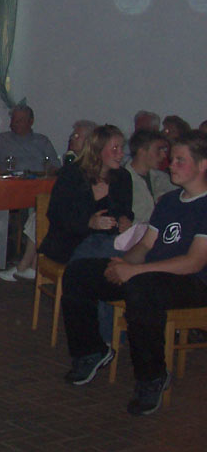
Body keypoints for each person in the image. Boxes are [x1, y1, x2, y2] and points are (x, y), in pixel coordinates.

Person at [60, 131, 207, 415]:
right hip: (149, 273)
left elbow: (194, 262)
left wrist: (135, 271)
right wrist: (121, 264)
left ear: (202, 165)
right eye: (172, 159)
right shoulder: (170, 201)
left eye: (180, 160)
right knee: (80, 272)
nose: (171, 165)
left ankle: (152, 377)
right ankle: (91, 351)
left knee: (143, 289)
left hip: (193, 283)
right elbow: (145, 245)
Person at [0, 119, 96, 282]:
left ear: (89, 141)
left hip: (78, 224)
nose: (72, 138)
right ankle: (31, 265)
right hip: (70, 219)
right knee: (39, 215)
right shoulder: (75, 163)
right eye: (73, 135)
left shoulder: (86, 167)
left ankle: (27, 266)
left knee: (42, 216)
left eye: (77, 136)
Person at [38, 125, 133, 266]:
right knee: (108, 262)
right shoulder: (71, 175)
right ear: (97, 150)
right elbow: (57, 215)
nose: (121, 154)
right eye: (115, 149)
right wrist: (89, 222)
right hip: (70, 243)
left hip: (106, 243)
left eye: (121, 148)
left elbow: (125, 211)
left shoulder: (123, 177)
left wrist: (124, 221)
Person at [0, 105, 61, 173]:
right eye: (14, 120)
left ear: (31, 122)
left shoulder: (43, 141)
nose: (15, 123)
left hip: (38, 184)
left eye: (20, 120)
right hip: (8, 184)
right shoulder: (1, 140)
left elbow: (55, 166)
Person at [125, 129, 175, 224]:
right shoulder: (121, 180)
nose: (164, 155)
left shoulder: (163, 178)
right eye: (159, 150)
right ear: (142, 151)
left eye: (164, 150)